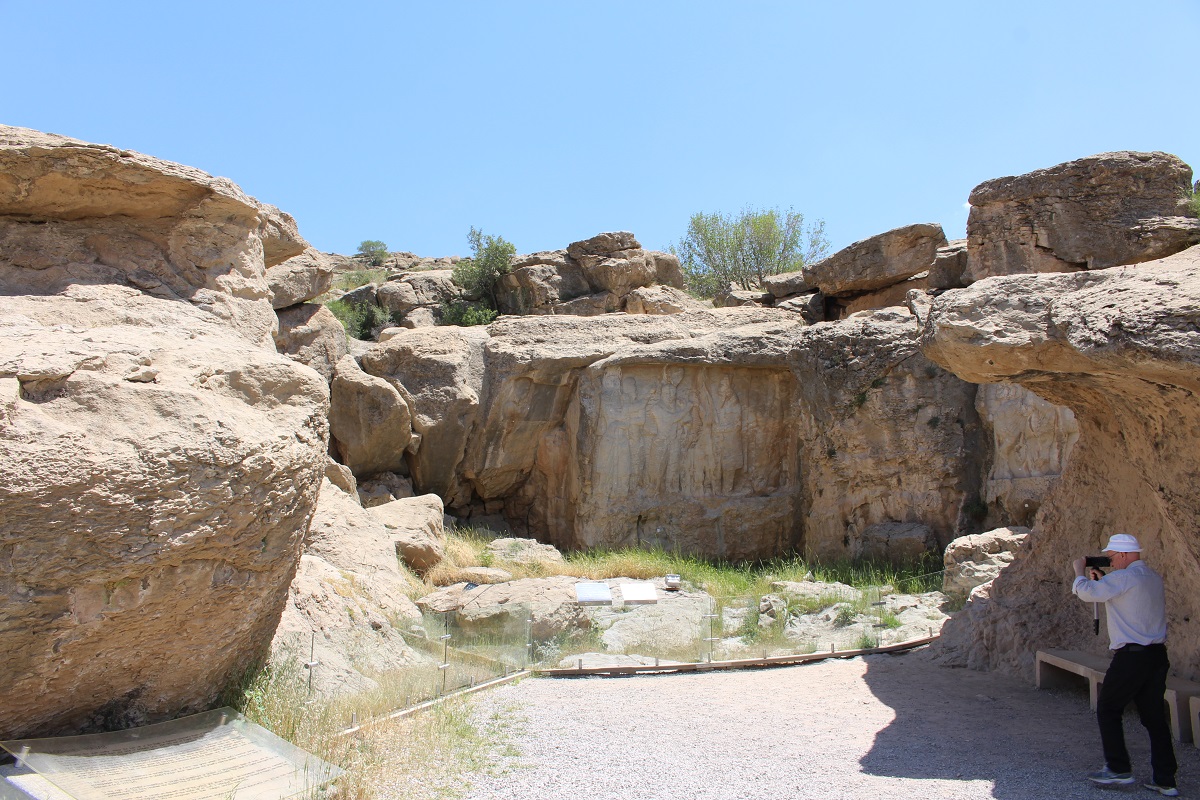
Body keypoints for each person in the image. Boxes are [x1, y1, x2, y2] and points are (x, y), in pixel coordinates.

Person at [1071, 533, 1178, 796]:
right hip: (1156, 656)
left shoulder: (1123, 578)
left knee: (1108, 707)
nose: (1111, 562)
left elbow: (1085, 593)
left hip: (1131, 657)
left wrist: (1079, 570)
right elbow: (1130, 600)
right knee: (1154, 718)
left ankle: (1118, 769)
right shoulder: (1152, 577)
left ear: (1123, 555)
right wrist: (1105, 581)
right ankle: (1166, 779)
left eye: (1111, 557)